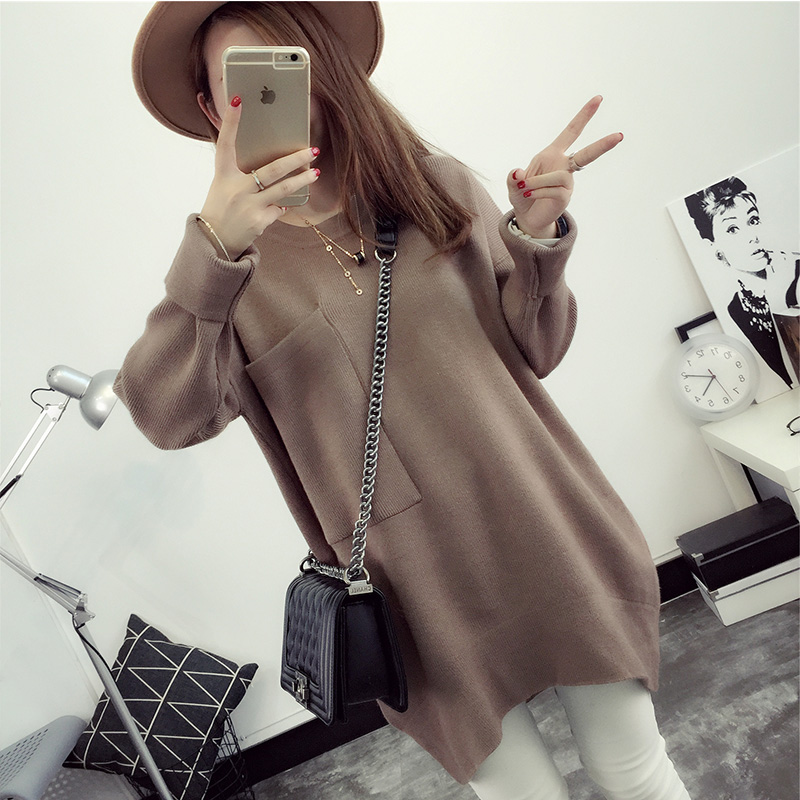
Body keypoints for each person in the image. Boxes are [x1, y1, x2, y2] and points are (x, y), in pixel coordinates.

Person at [117, 3, 693, 798]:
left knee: (635, 773)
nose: (269, 95)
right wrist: (214, 248)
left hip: (542, 523)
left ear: (324, 68)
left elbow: (538, 349)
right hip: (415, 596)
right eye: (239, 82)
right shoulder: (228, 273)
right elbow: (164, 414)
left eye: (286, 64)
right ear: (213, 111)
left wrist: (534, 239)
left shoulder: (434, 187)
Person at [685, 176, 799, 388]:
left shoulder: (796, 273)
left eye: (753, 220)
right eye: (732, 229)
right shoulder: (736, 308)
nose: (752, 236)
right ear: (714, 248)